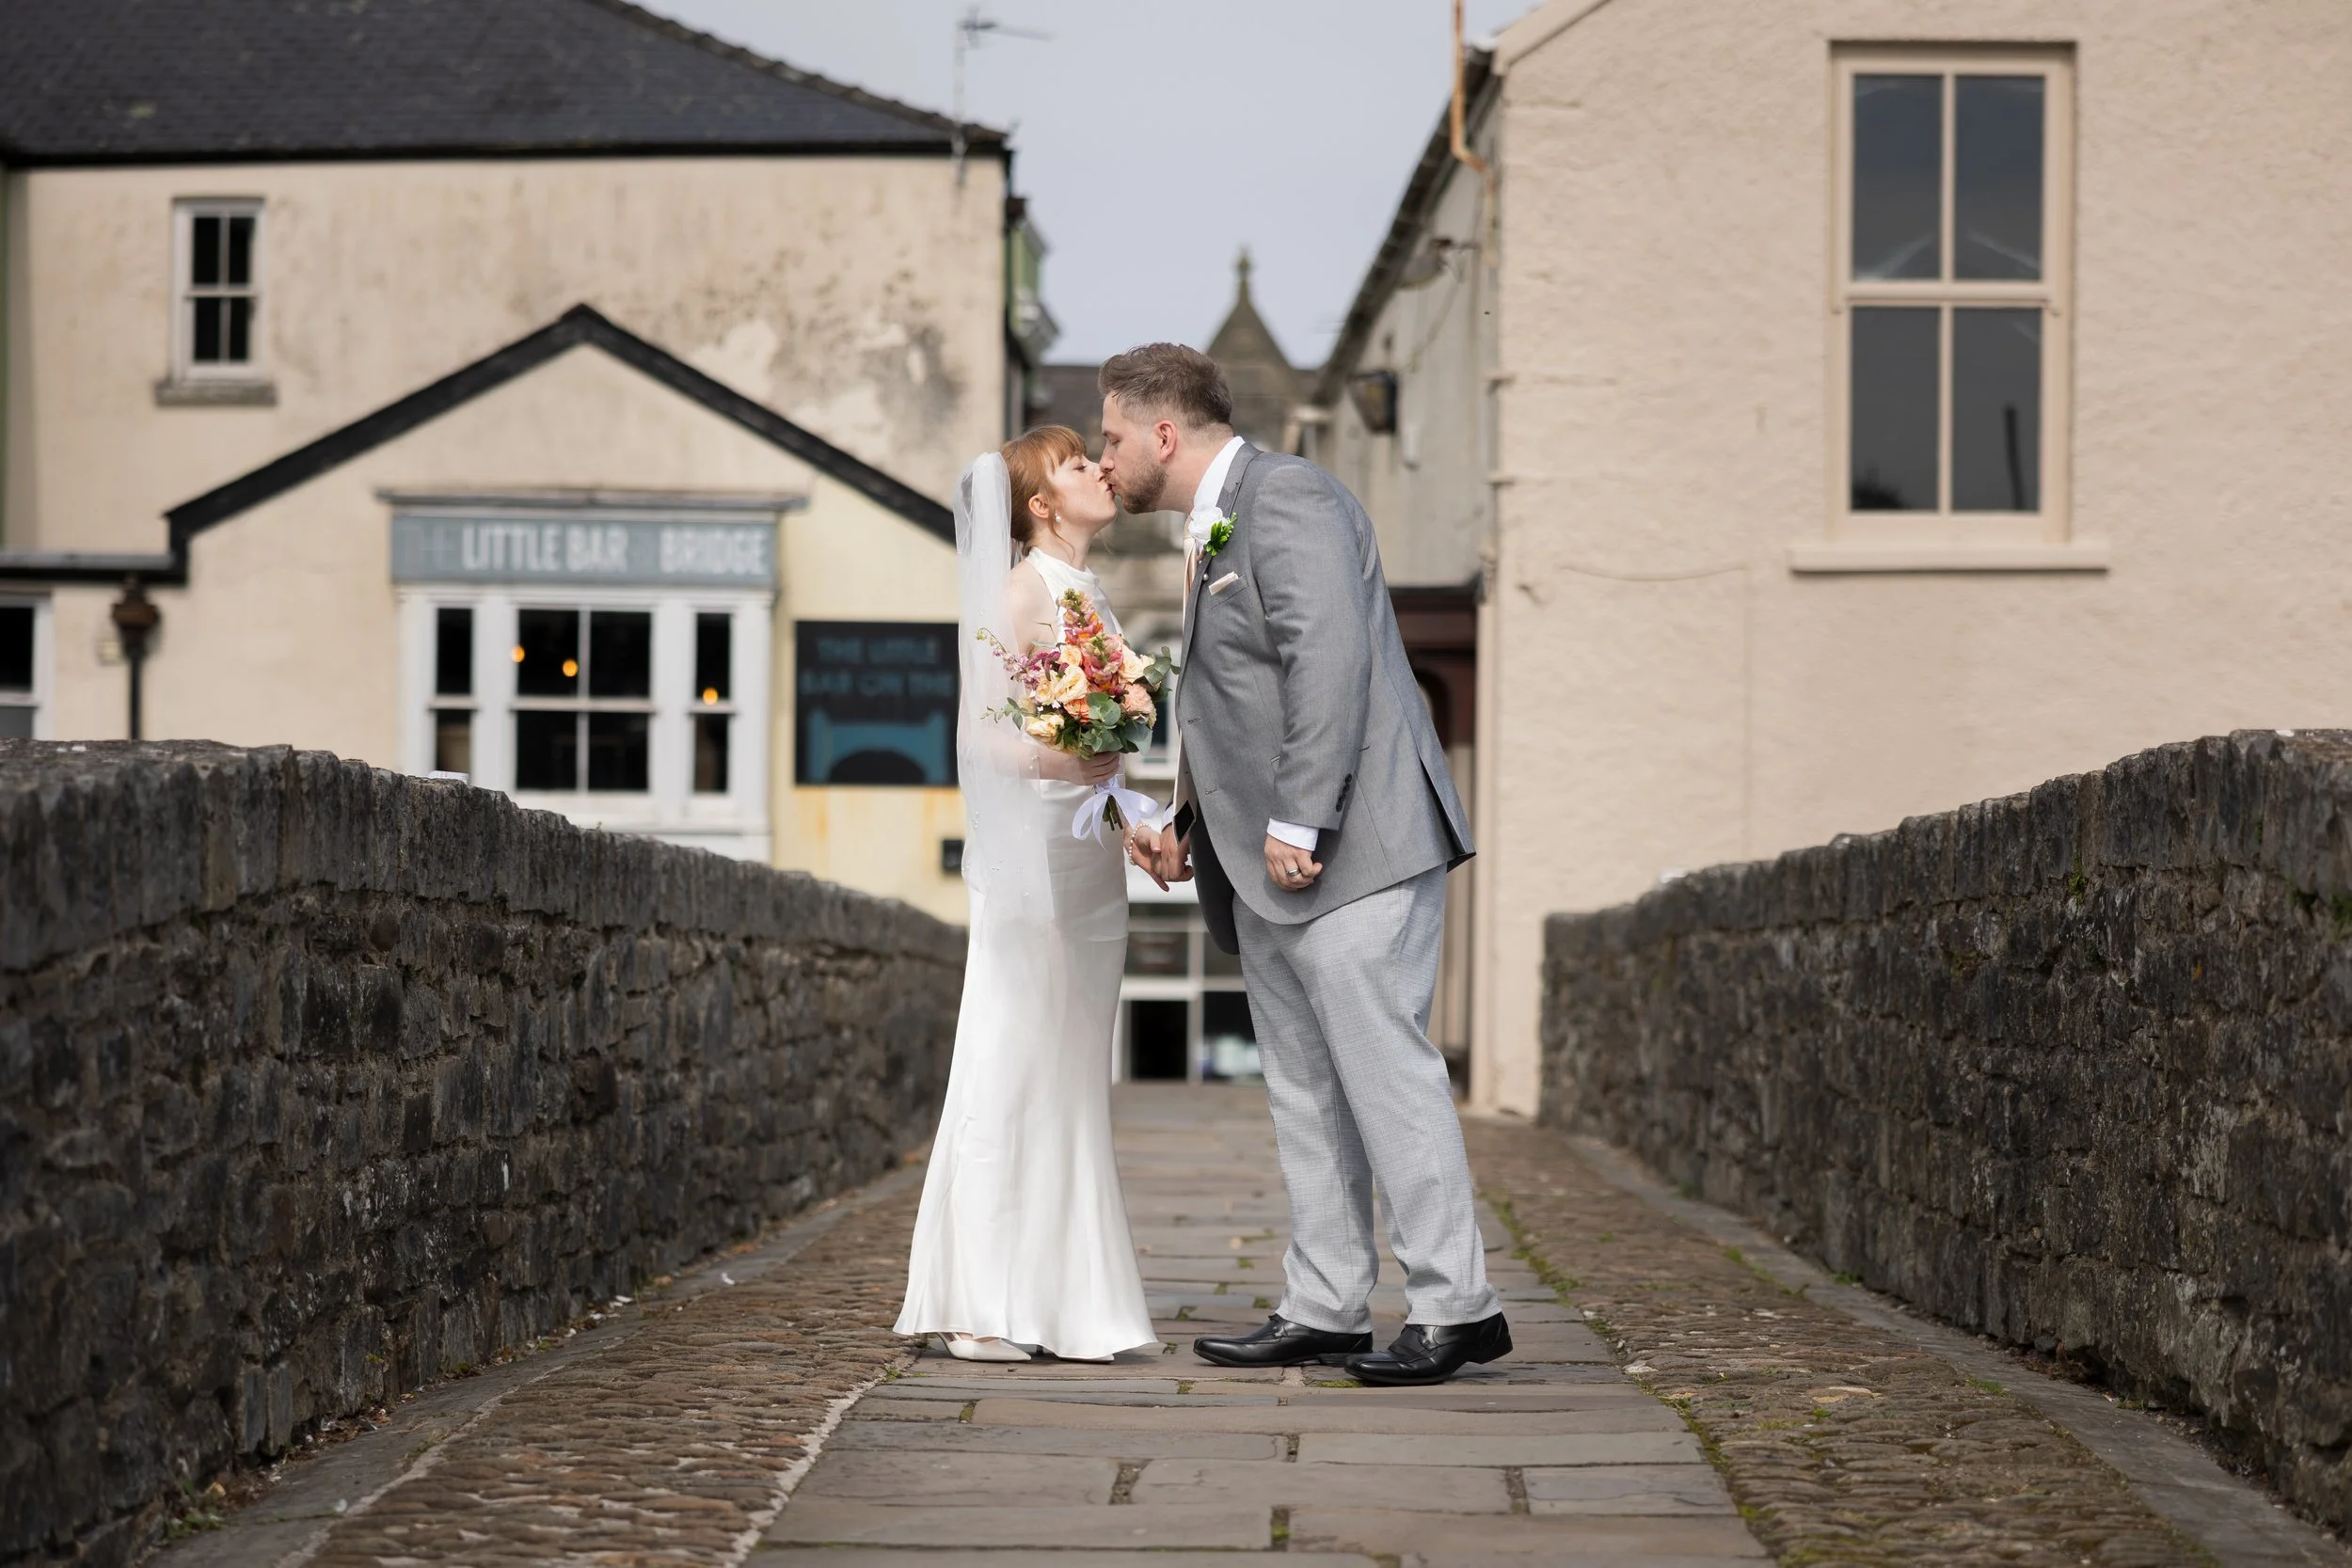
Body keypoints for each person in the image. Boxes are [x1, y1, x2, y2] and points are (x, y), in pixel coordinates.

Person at [1106, 344, 1509, 1387]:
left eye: (1111, 438)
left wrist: (1299, 817)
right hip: (1271, 855)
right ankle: (1326, 1301)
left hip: (1356, 841)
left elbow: (1325, 661)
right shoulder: (1217, 527)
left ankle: (1457, 1304)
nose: (1105, 461)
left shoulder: (1287, 500)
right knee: (1304, 1086)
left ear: (1163, 433)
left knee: (1385, 1070)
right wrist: (1188, 822)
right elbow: (1230, 699)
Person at [892, 427, 1158, 1363]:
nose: (1097, 468)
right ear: (1040, 503)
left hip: (1085, 858)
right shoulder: (1019, 591)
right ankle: (980, 1301)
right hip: (1033, 853)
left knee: (1070, 1072)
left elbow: (1104, 751)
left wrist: (1137, 828)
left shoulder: (1091, 595)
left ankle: (1061, 1298)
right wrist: (1062, 757)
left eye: (1094, 456)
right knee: (1011, 1055)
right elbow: (979, 739)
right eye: (1075, 464)